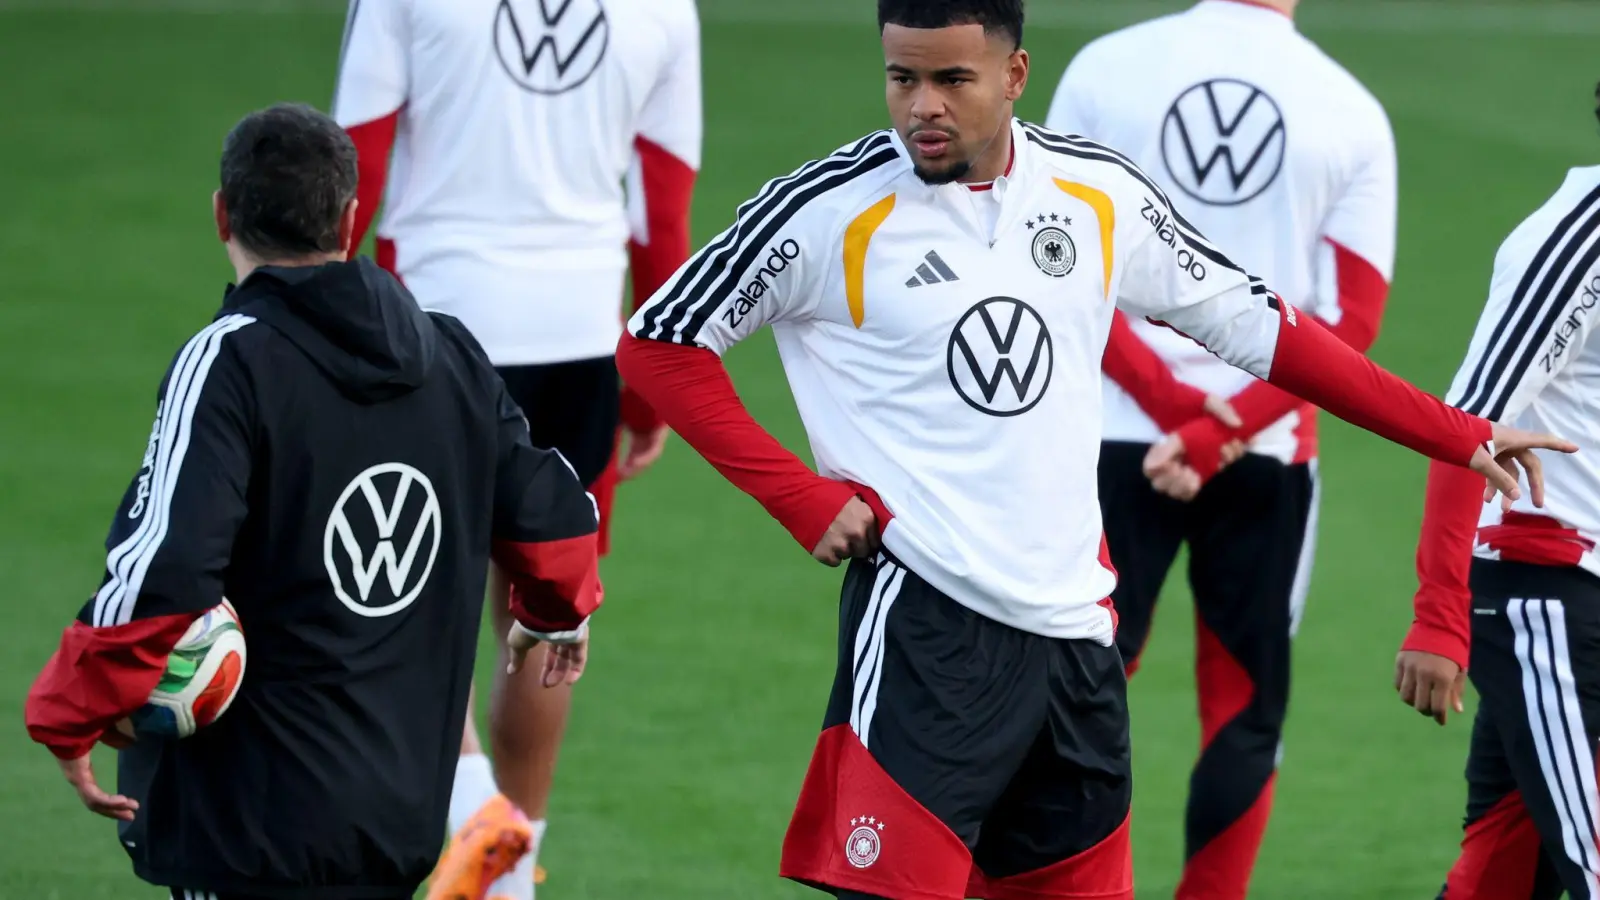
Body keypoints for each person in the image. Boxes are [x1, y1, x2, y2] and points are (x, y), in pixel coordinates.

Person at [614, 2, 1569, 898]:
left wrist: (1460, 432)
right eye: (901, 78)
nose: (923, 107)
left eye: (953, 78)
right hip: (924, 631)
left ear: (1016, 72)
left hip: (1076, 645)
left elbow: (1268, 330)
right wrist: (797, 495)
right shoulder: (828, 210)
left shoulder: (1095, 192)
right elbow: (659, 341)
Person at [22, 103, 603, 900]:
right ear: (350, 217)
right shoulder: (450, 355)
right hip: (396, 825)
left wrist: (69, 710)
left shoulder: (228, 362)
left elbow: (166, 570)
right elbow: (559, 517)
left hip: (248, 827)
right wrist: (554, 608)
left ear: (222, 213)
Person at [331, 0, 701, 896]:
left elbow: (353, 165)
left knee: (408, 597)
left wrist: (326, 333)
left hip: (432, 326)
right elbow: (662, 208)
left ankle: (473, 815)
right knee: (550, 609)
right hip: (579, 333)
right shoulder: (665, 7)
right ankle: (510, 873)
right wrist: (648, 391)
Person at [1044, 2, 1397, 895]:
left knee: (1067, 695)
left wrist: (1172, 409)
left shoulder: (1103, 66)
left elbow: (1053, 264)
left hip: (1108, 437)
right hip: (1268, 446)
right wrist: (1222, 427)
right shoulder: (1350, 107)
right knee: (1243, 710)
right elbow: (1349, 321)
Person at [1396, 89, 1600, 900]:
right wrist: (1438, 616)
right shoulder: (1578, 241)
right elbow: (1464, 427)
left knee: (1503, 876)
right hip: (1546, 598)